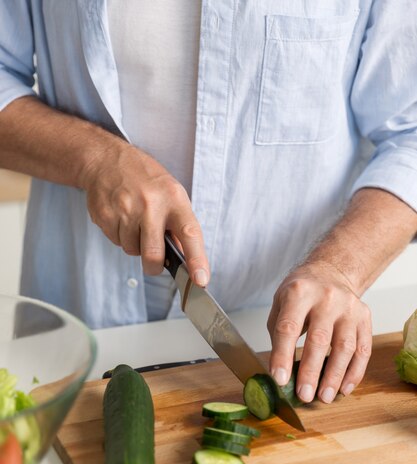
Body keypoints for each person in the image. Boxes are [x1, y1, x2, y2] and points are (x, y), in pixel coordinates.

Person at [0, 1, 416, 405]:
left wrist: (339, 270)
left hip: (281, 342)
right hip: (68, 338)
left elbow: (410, 134)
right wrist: (93, 160)